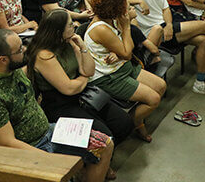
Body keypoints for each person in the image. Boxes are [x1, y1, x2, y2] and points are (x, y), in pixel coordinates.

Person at [0, 29, 114, 182]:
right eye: (19, 49)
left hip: (49, 131)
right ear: (3, 59)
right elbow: (7, 142)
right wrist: (50, 160)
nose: (25, 49)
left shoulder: (11, 69)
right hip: (29, 148)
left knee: (105, 145)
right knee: (64, 171)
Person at [26, 9, 133, 151]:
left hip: (81, 95)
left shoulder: (69, 42)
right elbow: (68, 88)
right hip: (59, 104)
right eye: (70, 25)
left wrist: (82, 47)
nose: (74, 27)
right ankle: (98, 162)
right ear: (58, 31)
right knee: (104, 135)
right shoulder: (44, 55)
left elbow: (89, 70)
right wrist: (84, 79)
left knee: (123, 123)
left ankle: (105, 157)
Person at [124, 0, 205, 97]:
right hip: (153, 33)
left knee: (204, 40)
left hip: (167, 28)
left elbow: (166, 9)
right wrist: (138, 1)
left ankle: (200, 83)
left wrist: (170, 25)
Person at [85, 0, 166, 142]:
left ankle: (135, 119)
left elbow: (120, 47)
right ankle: (134, 122)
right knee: (153, 99)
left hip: (121, 67)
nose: (126, 8)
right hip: (109, 77)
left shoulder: (109, 19)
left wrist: (117, 51)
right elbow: (128, 53)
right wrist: (127, 26)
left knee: (161, 86)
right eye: (124, 5)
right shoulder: (101, 28)